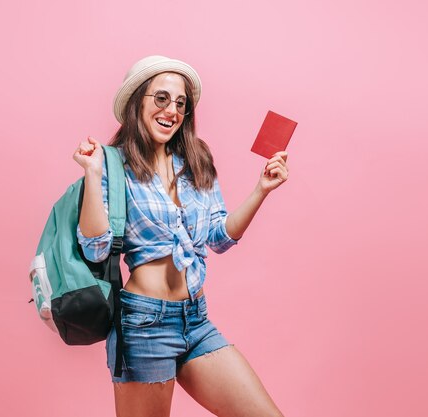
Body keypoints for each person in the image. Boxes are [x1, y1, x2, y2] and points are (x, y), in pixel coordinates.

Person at [72, 55, 288, 417]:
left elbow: (218, 237)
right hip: (144, 325)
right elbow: (95, 248)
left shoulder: (195, 160)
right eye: (161, 98)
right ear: (137, 101)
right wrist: (93, 175)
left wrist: (260, 190)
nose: (171, 109)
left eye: (180, 103)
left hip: (196, 319)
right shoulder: (112, 164)